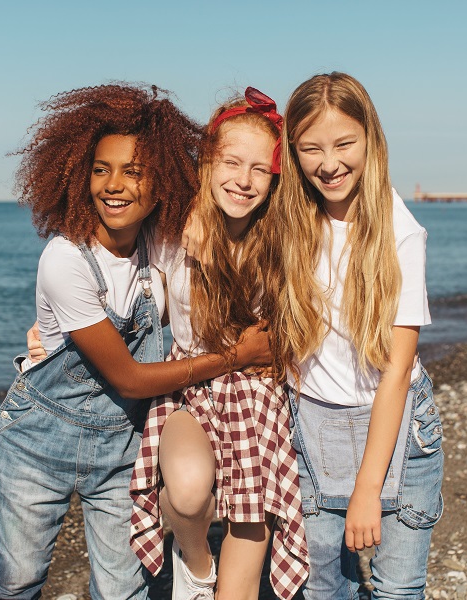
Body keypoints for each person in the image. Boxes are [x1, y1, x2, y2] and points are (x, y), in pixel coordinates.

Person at [0, 83, 273, 600]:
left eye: (134, 171)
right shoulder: (65, 259)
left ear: (161, 184)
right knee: (16, 582)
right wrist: (237, 357)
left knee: (124, 590)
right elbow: (130, 377)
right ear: (80, 174)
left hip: (120, 446)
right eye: (101, 169)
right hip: (37, 446)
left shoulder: (157, 245)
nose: (113, 185)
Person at [265, 72, 444, 599]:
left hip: (397, 431)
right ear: (293, 152)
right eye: (311, 149)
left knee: (396, 590)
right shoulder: (290, 222)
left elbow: (395, 374)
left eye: (345, 144)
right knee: (323, 589)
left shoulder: (399, 233)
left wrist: (368, 487)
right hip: (310, 427)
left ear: (371, 139)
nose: (329, 163)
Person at [129, 88, 308, 600]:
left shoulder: (281, 241)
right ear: (206, 162)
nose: (244, 180)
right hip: (192, 386)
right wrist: (52, 331)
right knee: (185, 493)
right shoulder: (171, 235)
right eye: (231, 162)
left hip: (258, 401)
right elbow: (137, 300)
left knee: (241, 580)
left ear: (276, 179)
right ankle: (197, 566)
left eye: (260, 169)